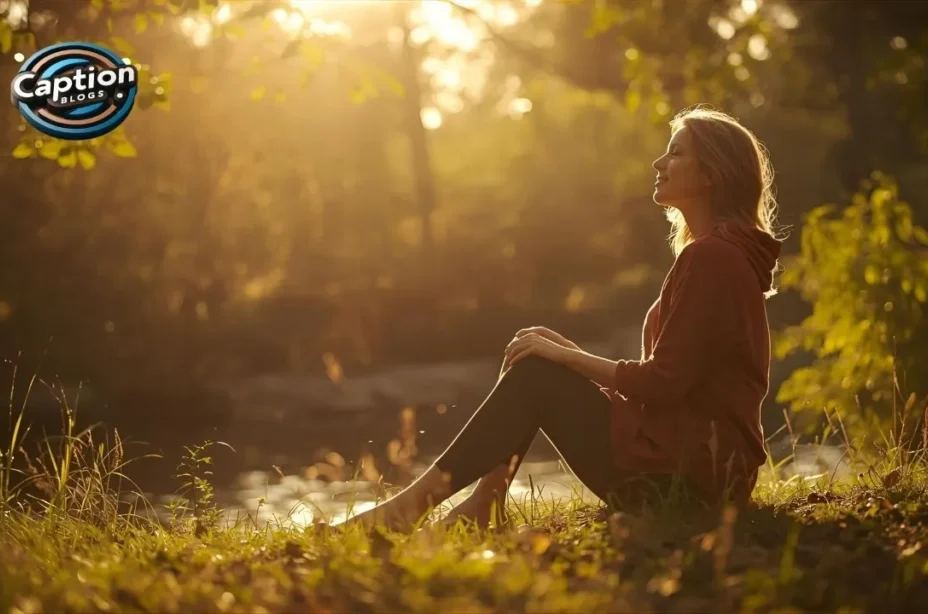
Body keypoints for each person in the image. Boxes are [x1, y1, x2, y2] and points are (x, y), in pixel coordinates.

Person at [336, 105, 784, 533]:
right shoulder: (717, 255)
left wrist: (565, 360)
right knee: (536, 355)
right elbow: (674, 386)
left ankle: (413, 507)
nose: (658, 161)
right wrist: (565, 353)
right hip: (690, 472)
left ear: (710, 174)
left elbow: (662, 383)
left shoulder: (713, 259)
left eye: (676, 152)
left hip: (688, 485)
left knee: (538, 372)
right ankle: (483, 502)